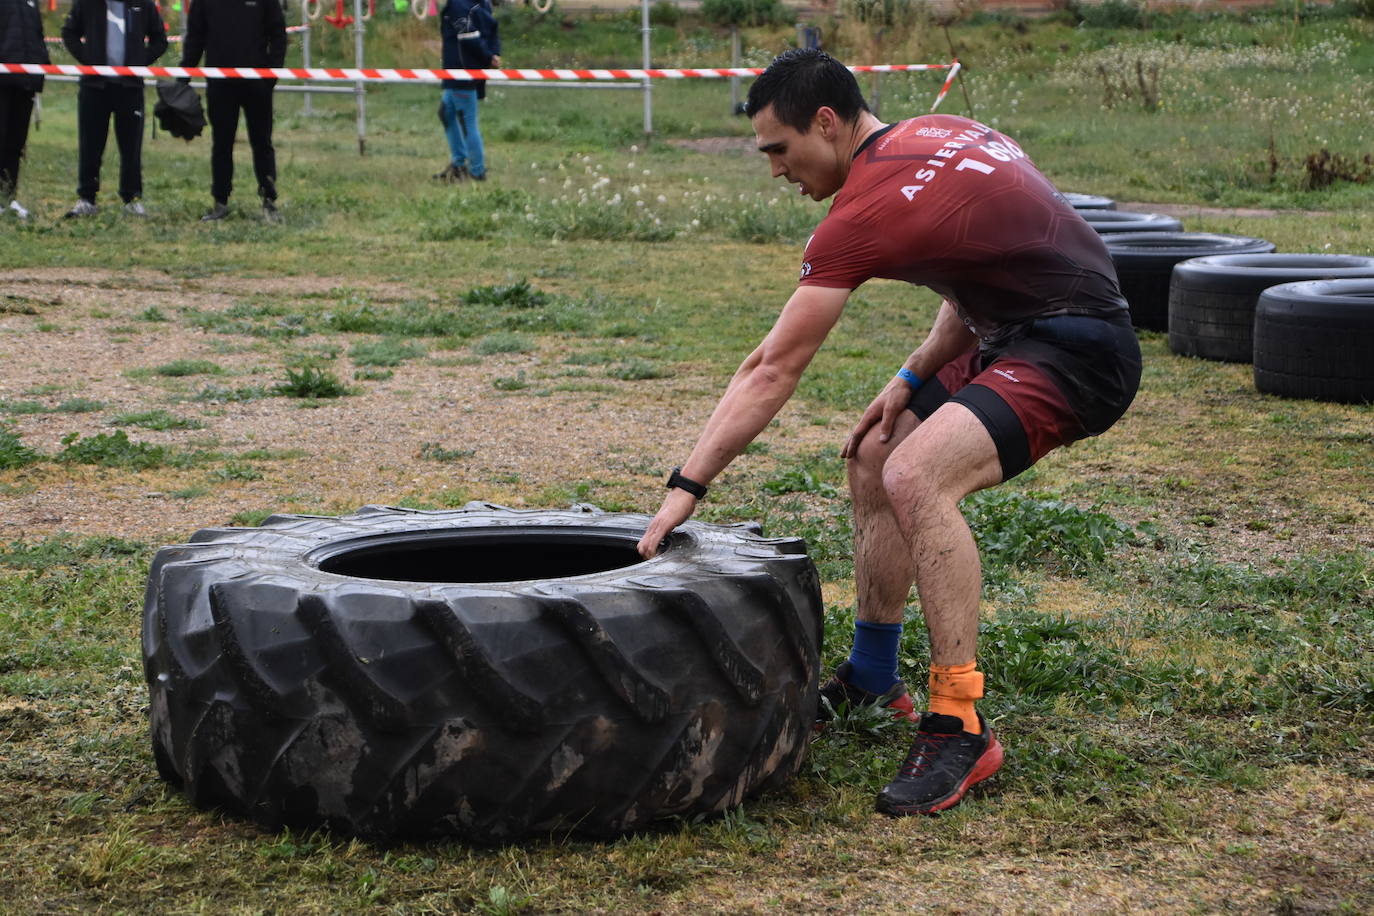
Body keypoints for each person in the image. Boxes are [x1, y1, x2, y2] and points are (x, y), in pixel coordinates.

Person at [636, 49, 1141, 816]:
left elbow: (771, 368)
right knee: (877, 452)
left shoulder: (860, 212)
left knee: (917, 474)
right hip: (1014, 332)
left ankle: (960, 722)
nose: (775, 170)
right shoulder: (947, 131)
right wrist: (910, 378)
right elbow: (977, 266)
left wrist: (687, 487)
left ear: (827, 123)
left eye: (779, 148)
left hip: (1081, 350)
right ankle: (875, 675)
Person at [179, 0, 287, 222]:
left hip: (258, 83)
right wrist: (183, 76)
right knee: (221, 143)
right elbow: (195, 37)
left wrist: (271, 75)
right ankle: (220, 202)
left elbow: (278, 33)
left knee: (262, 142)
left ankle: (269, 200)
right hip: (220, 83)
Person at [61, 0, 167, 217]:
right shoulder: (87, 3)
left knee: (131, 148)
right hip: (94, 87)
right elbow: (69, 32)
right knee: (90, 145)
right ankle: (86, 199)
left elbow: (160, 40)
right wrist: (88, 58)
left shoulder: (143, 4)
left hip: (130, 88)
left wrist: (140, 61)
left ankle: (132, 199)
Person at [433, 0, 498, 183]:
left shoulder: (458, 5)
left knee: (466, 121)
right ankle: (458, 163)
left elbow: (469, 37)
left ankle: (477, 171)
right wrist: (492, 54)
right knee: (446, 113)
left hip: (462, 69)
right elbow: (493, 28)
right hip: (458, 68)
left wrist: (488, 56)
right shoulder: (479, 3)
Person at [0, 0, 48, 219]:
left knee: (15, 144)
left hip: (25, 82)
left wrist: (39, 68)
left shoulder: (31, 3)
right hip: (3, 80)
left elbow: (36, 35)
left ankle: (8, 198)